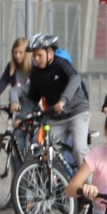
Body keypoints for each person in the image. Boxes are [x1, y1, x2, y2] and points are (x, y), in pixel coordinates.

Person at [26, 32, 91, 163]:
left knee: (79, 150)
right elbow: (32, 98)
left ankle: (88, 176)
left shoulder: (61, 63)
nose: (36, 59)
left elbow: (75, 78)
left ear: (50, 53)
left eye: (39, 55)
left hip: (76, 112)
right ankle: (57, 176)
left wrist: (63, 100)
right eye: (34, 56)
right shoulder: (35, 73)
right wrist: (21, 117)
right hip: (56, 117)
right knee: (47, 151)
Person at [0, 37, 32, 111]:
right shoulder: (11, 67)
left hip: (33, 104)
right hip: (18, 106)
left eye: (20, 52)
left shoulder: (33, 66)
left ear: (26, 53)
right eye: (15, 52)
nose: (17, 55)